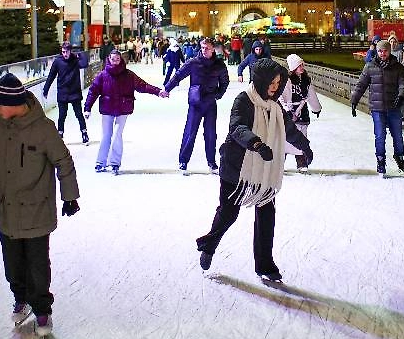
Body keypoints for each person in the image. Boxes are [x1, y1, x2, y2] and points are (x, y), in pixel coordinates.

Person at [0, 73, 80, 337]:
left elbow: (63, 161)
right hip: (6, 210)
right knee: (12, 264)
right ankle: (20, 299)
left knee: (37, 266)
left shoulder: (43, 128)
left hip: (36, 210)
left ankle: (42, 310)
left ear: (12, 103)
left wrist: (70, 195)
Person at [196, 59, 314, 283]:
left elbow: (288, 129)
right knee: (229, 213)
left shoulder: (275, 106)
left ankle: (265, 265)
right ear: (260, 81)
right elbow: (237, 127)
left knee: (266, 215)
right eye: (271, 83)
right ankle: (209, 245)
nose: (274, 87)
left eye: (278, 83)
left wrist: (304, 146)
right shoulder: (244, 100)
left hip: (263, 173)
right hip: (236, 167)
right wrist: (256, 144)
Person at [83, 49, 168, 174]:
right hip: (107, 108)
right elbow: (93, 91)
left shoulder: (128, 75)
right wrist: (87, 107)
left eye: (118, 59)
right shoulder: (103, 75)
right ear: (109, 60)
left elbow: (142, 86)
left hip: (123, 108)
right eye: (113, 59)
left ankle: (115, 163)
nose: (116, 62)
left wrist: (158, 91)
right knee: (106, 135)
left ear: (121, 60)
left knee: (117, 134)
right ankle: (100, 162)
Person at [165, 37, 230, 173]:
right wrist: (167, 88)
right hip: (196, 103)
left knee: (211, 134)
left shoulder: (219, 65)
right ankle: (183, 161)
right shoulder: (194, 63)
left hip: (210, 104)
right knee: (190, 133)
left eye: (207, 48)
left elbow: (225, 81)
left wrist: (218, 94)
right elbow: (178, 75)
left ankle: (211, 163)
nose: (204, 50)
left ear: (213, 49)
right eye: (202, 47)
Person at [350, 40, 404, 175]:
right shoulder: (370, 66)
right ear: (377, 52)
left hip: (393, 107)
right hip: (377, 108)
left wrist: (401, 96)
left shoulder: (398, 67)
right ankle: (381, 160)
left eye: (385, 51)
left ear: (389, 51)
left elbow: (403, 84)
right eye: (380, 51)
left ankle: (399, 158)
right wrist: (354, 101)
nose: (382, 53)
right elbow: (361, 85)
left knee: (398, 136)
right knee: (380, 135)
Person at [278, 54, 322, 171]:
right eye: (299, 65)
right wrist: (287, 109)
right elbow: (281, 96)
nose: (302, 67)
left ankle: (301, 162)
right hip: (289, 113)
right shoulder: (287, 81)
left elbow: (311, 95)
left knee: (301, 138)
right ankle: (279, 164)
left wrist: (316, 108)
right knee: (286, 138)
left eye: (302, 65)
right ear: (293, 68)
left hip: (302, 113)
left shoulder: (306, 80)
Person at [42, 41, 91, 145]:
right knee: (62, 115)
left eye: (67, 52)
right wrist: (46, 89)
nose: (65, 54)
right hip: (63, 92)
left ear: (70, 51)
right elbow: (51, 76)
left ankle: (84, 133)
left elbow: (85, 64)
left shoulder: (75, 60)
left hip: (75, 92)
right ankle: (60, 134)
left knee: (79, 114)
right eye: (63, 52)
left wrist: (80, 53)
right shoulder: (58, 62)